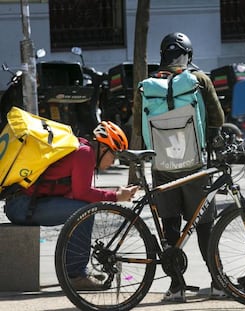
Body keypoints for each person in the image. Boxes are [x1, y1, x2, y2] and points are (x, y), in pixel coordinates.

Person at [138, 32, 225, 302]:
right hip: (195, 165)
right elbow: (218, 119)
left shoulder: (148, 85)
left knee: (171, 227)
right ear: (189, 55)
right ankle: (219, 283)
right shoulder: (199, 80)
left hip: (162, 166)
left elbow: (140, 128)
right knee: (204, 227)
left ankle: (176, 288)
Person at [4, 121, 138, 290]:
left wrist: (114, 193)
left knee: (82, 208)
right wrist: (117, 196)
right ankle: (75, 275)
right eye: (114, 155)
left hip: (20, 203)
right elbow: (83, 194)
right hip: (22, 206)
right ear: (103, 149)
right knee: (84, 212)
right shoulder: (85, 154)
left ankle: (76, 271)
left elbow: (78, 191)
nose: (113, 162)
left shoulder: (82, 149)